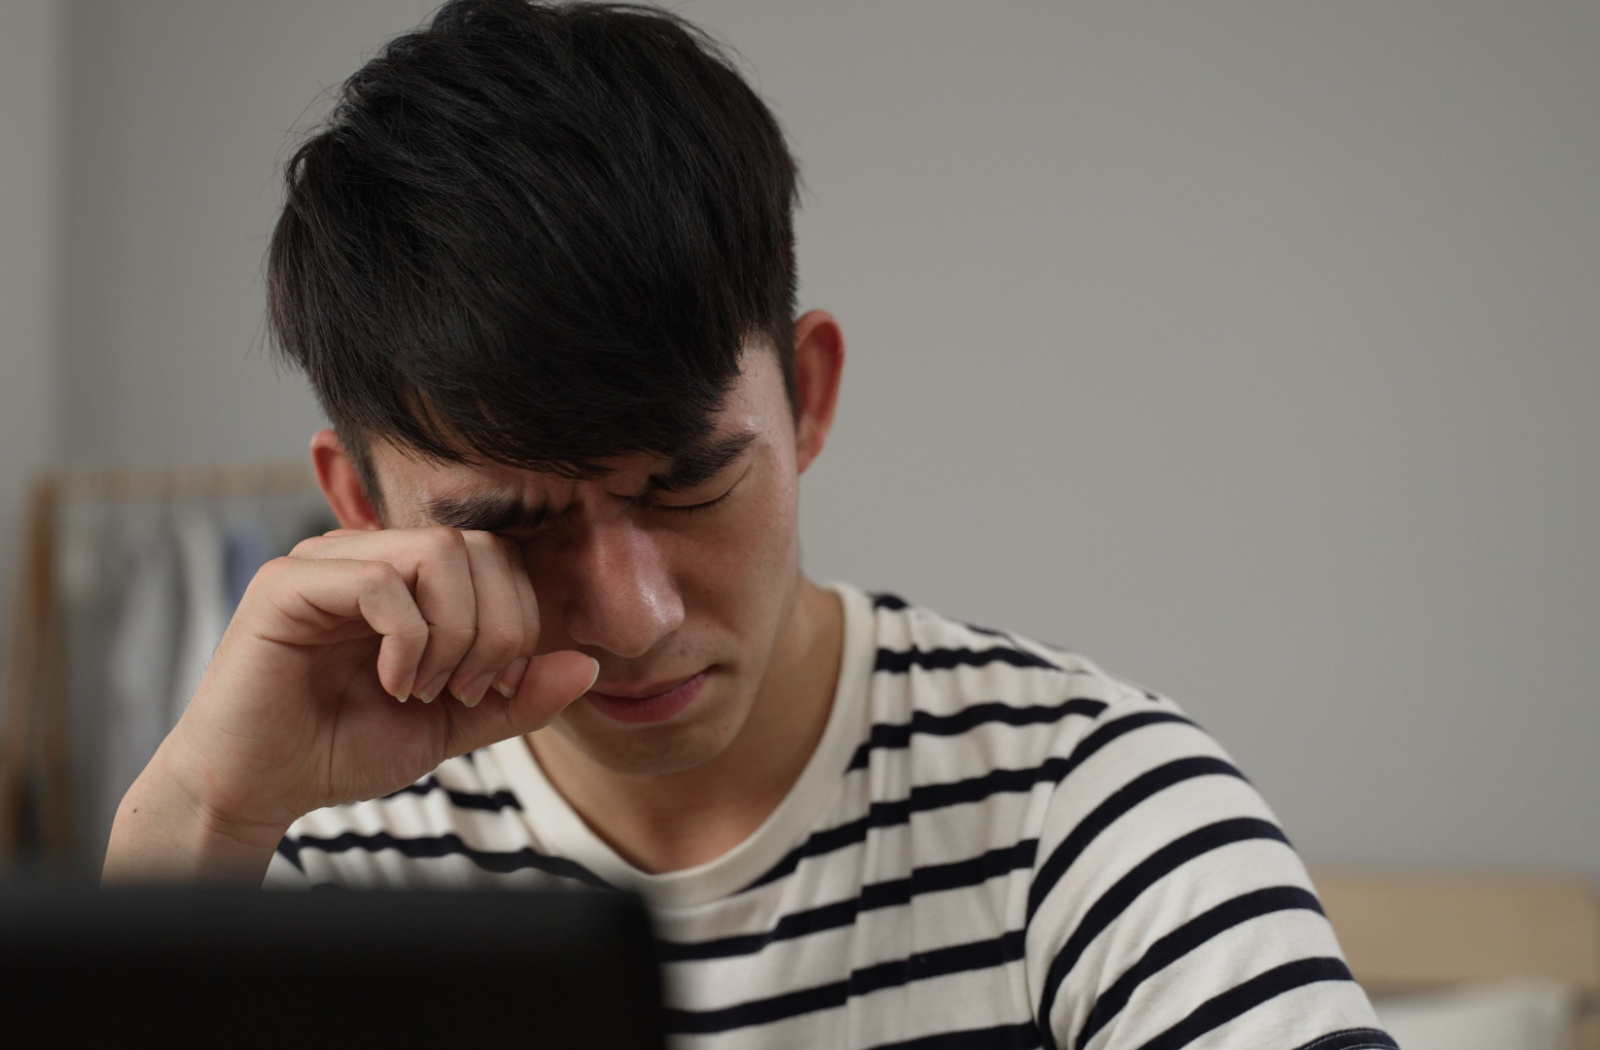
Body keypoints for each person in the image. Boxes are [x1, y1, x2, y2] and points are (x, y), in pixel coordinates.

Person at [103, 2, 1395, 1047]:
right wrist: (206, 812)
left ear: (811, 393)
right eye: (515, 524)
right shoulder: (309, 893)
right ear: (360, 507)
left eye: (688, 483)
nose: (635, 614)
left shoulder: (1095, 811)